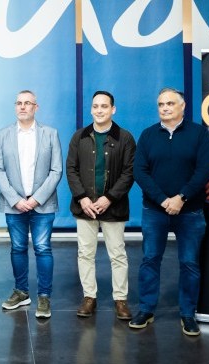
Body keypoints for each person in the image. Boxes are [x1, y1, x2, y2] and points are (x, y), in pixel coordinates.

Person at [129, 87, 209, 336]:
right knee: (150, 260)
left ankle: (188, 314)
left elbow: (204, 170)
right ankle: (146, 310)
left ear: (182, 106)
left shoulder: (198, 134)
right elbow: (139, 171)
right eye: (161, 104)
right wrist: (163, 200)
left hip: (190, 212)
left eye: (170, 103)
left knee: (189, 263)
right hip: (155, 211)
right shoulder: (148, 135)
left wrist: (181, 198)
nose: (165, 108)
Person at [0, 90, 63, 318]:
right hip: (14, 205)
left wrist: (35, 199)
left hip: (42, 204)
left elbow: (56, 170)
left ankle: (44, 296)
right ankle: (21, 292)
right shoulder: (3, 135)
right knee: (18, 248)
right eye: (19, 103)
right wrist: (15, 199)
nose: (22, 107)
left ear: (36, 107)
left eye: (27, 103)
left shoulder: (50, 134)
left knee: (43, 248)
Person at [66, 91, 135, 320]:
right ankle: (89, 297)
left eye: (104, 106)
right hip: (85, 207)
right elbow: (71, 169)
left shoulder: (125, 138)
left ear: (113, 109)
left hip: (113, 207)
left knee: (118, 254)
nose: (99, 110)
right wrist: (82, 198)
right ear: (91, 109)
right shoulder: (80, 137)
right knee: (85, 253)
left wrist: (109, 198)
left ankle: (120, 299)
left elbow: (129, 172)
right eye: (95, 106)